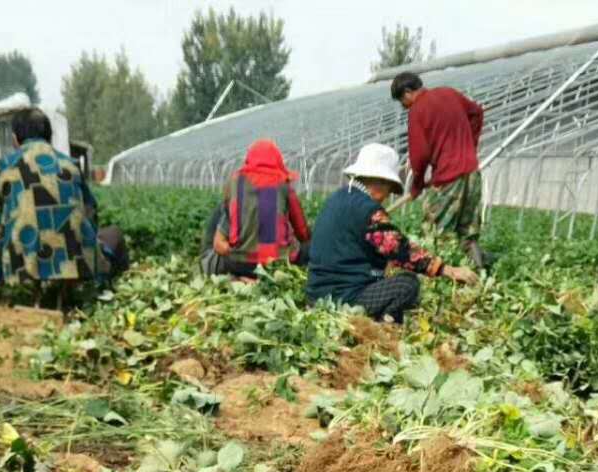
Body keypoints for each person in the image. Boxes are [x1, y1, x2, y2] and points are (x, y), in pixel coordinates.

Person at [0, 108, 127, 300]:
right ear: (49, 137)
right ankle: (111, 295)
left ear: (15, 139)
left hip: (20, 268)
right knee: (114, 234)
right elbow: (91, 213)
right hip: (78, 266)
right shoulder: (70, 164)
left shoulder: (6, 166)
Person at [307, 143, 477, 323]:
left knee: (388, 279)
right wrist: (445, 269)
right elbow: (399, 249)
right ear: (380, 183)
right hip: (345, 298)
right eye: (389, 189)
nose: (388, 196)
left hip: (317, 296)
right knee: (407, 285)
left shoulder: (337, 198)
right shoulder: (368, 210)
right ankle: (384, 324)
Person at [391, 71, 484, 267]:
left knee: (434, 229)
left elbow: (419, 155)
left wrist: (416, 186)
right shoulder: (449, 93)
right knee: (468, 232)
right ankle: (479, 274)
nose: (404, 106)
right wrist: (469, 145)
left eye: (402, 100)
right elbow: (477, 113)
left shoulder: (418, 109)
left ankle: (440, 278)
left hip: (448, 177)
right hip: (472, 172)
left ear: (408, 92)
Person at [202, 140, 310, 278]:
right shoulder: (283, 183)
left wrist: (237, 252)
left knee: (215, 255)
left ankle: (239, 278)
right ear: (277, 160)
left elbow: (218, 245)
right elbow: (302, 231)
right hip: (278, 265)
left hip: (240, 265)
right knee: (309, 250)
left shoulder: (235, 183)